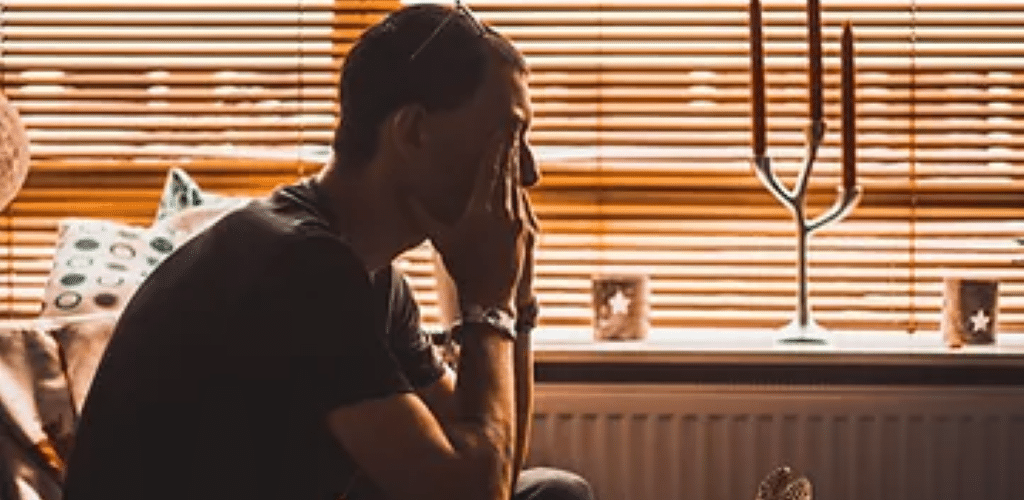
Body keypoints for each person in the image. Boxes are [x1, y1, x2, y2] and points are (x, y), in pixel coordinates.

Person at [62, 4, 595, 500]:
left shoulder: (370, 275)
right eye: (508, 137)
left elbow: (490, 458)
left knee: (552, 492)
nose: (528, 172)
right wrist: (487, 302)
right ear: (411, 131)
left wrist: (515, 305)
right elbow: (472, 491)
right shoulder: (297, 266)